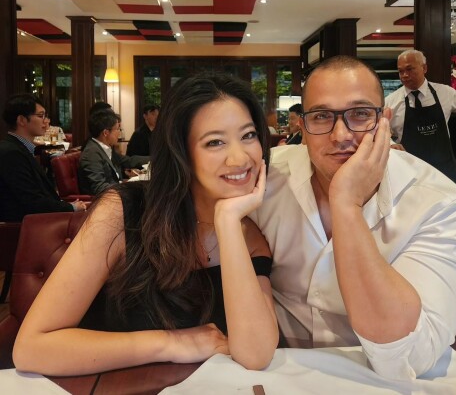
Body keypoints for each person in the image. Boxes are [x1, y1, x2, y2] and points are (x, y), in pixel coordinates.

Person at [13, 74, 278, 376]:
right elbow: (31, 348)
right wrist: (171, 343)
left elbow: (256, 355)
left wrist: (228, 222)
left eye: (248, 135)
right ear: (181, 153)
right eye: (214, 142)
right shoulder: (125, 211)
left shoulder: (250, 236)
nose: (240, 158)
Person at [250, 56, 456, 380]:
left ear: (384, 121)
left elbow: (411, 357)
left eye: (360, 114)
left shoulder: (440, 205)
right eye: (321, 116)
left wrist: (346, 204)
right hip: (278, 373)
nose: (341, 135)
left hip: (379, 381)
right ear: (302, 126)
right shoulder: (266, 180)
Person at [385, 49, 456, 183]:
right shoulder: (391, 102)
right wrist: (391, 144)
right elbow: (378, 130)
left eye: (409, 69)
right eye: (401, 71)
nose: (404, 75)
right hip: (410, 172)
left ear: (424, 68)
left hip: (445, 170)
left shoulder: (444, 92)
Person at [0, 94, 86, 222]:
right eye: (41, 116)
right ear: (22, 120)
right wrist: (71, 207)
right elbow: (32, 201)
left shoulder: (20, 148)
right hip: (24, 228)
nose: (46, 122)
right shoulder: (11, 152)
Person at [78, 110, 149, 195]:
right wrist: (127, 187)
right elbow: (99, 187)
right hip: (105, 199)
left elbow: (128, 161)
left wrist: (155, 158)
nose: (119, 132)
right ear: (106, 133)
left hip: (116, 192)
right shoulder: (91, 153)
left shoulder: (105, 148)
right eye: (117, 129)